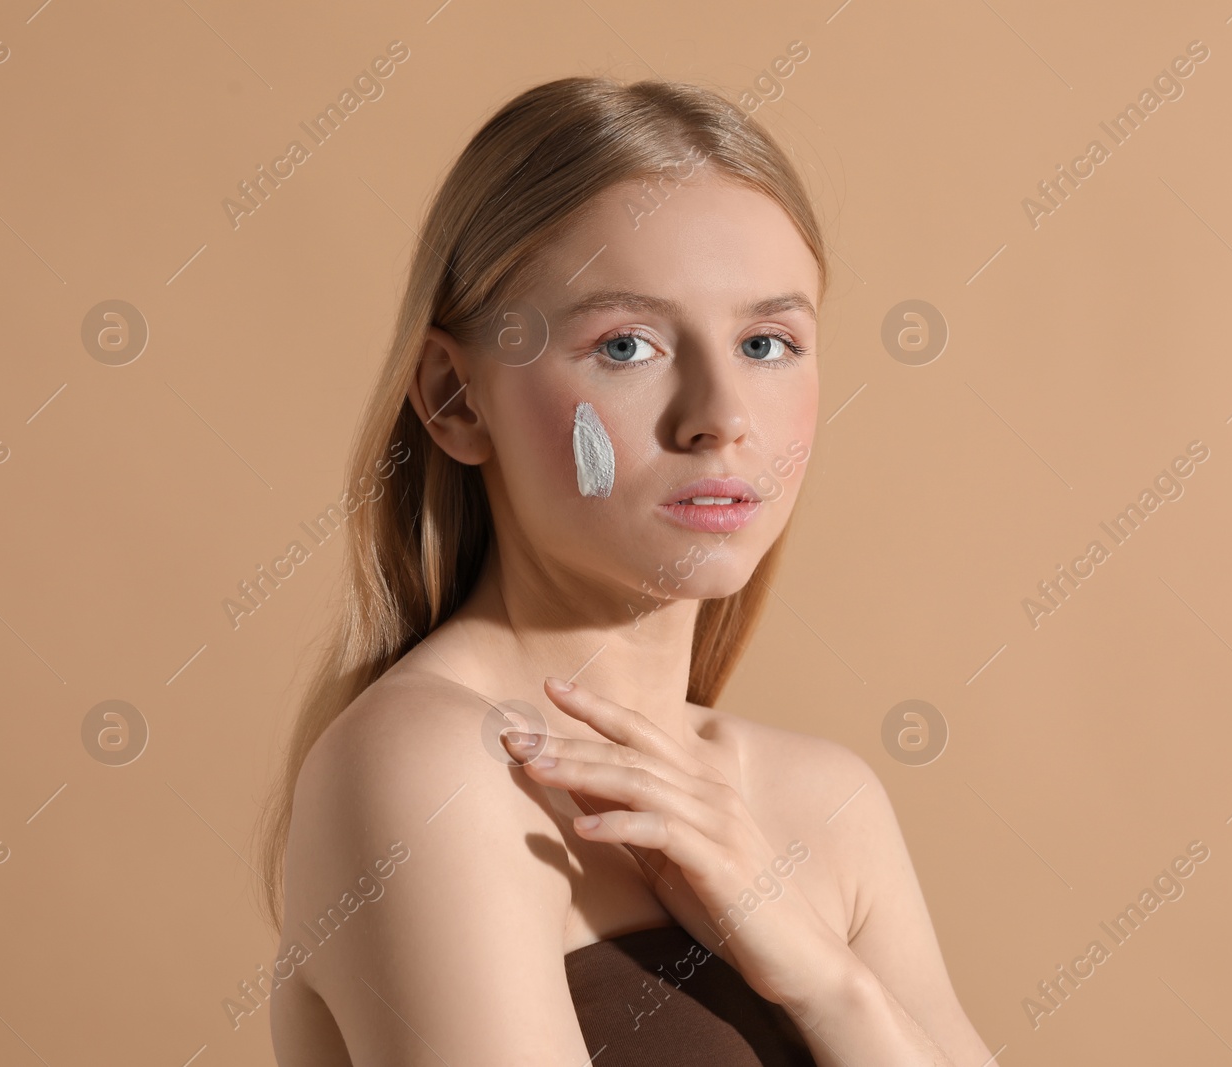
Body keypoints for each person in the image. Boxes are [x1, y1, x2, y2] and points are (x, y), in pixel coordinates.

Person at [254, 74, 994, 1066]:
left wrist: (826, 981)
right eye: (627, 343)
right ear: (455, 398)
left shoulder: (826, 800)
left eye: (767, 341)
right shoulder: (428, 768)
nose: (719, 415)